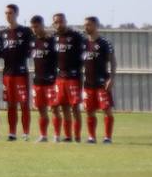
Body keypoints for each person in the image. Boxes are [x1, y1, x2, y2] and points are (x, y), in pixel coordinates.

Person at [0, 4, 33, 141]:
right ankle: (12, 133)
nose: (8, 15)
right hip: (7, 74)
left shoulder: (25, 31)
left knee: (24, 104)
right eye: (6, 13)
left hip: (21, 73)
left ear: (17, 14)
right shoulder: (3, 33)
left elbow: (31, 49)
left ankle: (25, 133)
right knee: (10, 104)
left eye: (11, 13)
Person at [52, 13, 86, 144]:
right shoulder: (54, 38)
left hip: (74, 77)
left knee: (75, 107)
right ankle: (67, 136)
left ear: (65, 21)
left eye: (61, 22)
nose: (58, 24)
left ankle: (77, 137)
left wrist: (80, 70)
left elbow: (84, 55)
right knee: (61, 107)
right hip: (60, 77)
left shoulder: (76, 36)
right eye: (56, 22)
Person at [81, 16, 116, 144]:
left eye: (88, 25)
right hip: (88, 83)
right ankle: (92, 137)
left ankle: (108, 137)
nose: (86, 27)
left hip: (102, 83)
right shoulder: (83, 44)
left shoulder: (104, 43)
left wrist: (112, 78)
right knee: (89, 111)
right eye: (85, 25)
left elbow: (113, 61)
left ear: (96, 26)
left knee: (106, 110)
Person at [27, 15, 62, 142]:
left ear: (42, 25)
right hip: (37, 81)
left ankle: (57, 136)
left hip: (51, 81)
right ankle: (43, 135)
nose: (34, 29)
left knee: (54, 109)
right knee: (41, 110)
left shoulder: (52, 41)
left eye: (36, 26)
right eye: (32, 27)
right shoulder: (32, 41)